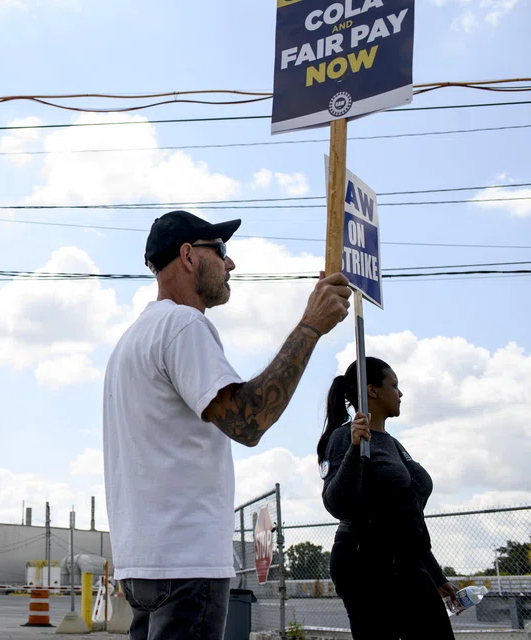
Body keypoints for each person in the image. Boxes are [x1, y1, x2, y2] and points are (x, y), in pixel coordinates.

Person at [103, 210, 352, 640]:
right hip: (187, 568)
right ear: (188, 256)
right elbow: (247, 420)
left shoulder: (131, 341)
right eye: (220, 251)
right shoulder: (183, 325)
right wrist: (311, 326)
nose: (230, 263)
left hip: (142, 567)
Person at [318, 357, 458, 639]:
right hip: (363, 561)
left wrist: (436, 576)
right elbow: (335, 503)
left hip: (406, 560)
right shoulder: (344, 437)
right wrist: (355, 449)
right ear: (372, 390)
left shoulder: (392, 443)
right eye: (394, 385)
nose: (400, 393)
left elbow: (408, 516)